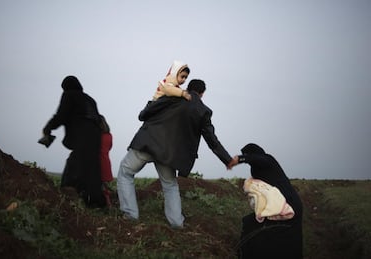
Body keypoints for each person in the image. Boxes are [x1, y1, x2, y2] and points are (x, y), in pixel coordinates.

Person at [117, 79, 235, 228]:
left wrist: (154, 99)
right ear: (202, 94)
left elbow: (144, 115)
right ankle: (177, 223)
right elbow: (212, 140)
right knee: (170, 185)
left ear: (188, 88)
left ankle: (130, 215)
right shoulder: (203, 111)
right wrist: (227, 160)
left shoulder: (171, 97)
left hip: (148, 143)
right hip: (169, 154)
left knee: (126, 172)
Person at [41, 75, 106, 208]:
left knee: (74, 165)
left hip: (82, 134)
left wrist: (48, 128)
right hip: (95, 136)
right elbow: (98, 119)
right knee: (92, 167)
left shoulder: (69, 95)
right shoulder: (90, 99)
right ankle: (95, 201)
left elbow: (61, 115)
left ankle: (66, 196)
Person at [230, 143, 303, 259]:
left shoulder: (268, 160)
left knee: (287, 236)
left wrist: (240, 159)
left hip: (289, 204)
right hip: (279, 204)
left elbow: (258, 159)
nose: (248, 160)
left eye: (247, 155)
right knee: (256, 225)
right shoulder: (257, 166)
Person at [99, 114, 114, 208]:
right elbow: (109, 147)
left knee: (99, 185)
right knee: (104, 186)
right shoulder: (109, 135)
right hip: (106, 161)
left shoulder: (97, 136)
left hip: (98, 161)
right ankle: (109, 205)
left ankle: (106, 206)